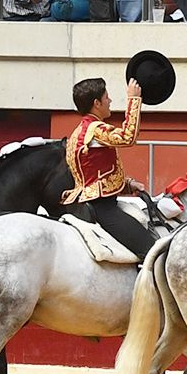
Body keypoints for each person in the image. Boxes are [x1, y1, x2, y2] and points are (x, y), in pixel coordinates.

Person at [50, 75, 156, 254]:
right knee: (151, 251)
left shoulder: (78, 132)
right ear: (96, 103)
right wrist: (134, 100)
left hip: (88, 204)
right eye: (107, 97)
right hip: (103, 209)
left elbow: (93, 175)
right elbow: (127, 137)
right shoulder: (95, 129)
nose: (110, 101)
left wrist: (127, 185)